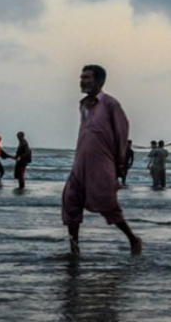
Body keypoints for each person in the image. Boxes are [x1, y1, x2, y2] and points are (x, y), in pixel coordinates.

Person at [61, 64, 143, 256]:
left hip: (102, 164)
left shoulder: (110, 104)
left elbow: (121, 134)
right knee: (70, 201)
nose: (82, 81)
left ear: (99, 81)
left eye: (87, 78)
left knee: (107, 204)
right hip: (80, 162)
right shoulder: (83, 105)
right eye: (81, 77)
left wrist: (119, 165)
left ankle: (133, 239)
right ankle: (74, 250)